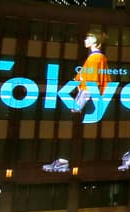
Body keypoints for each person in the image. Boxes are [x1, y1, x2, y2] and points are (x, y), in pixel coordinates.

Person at [44, 31, 109, 172]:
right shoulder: (94, 57)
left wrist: (78, 105)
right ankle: (63, 161)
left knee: (72, 129)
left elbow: (91, 84)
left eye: (89, 38)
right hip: (88, 98)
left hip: (88, 99)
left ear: (96, 41)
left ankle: (63, 161)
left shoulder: (96, 58)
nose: (85, 39)